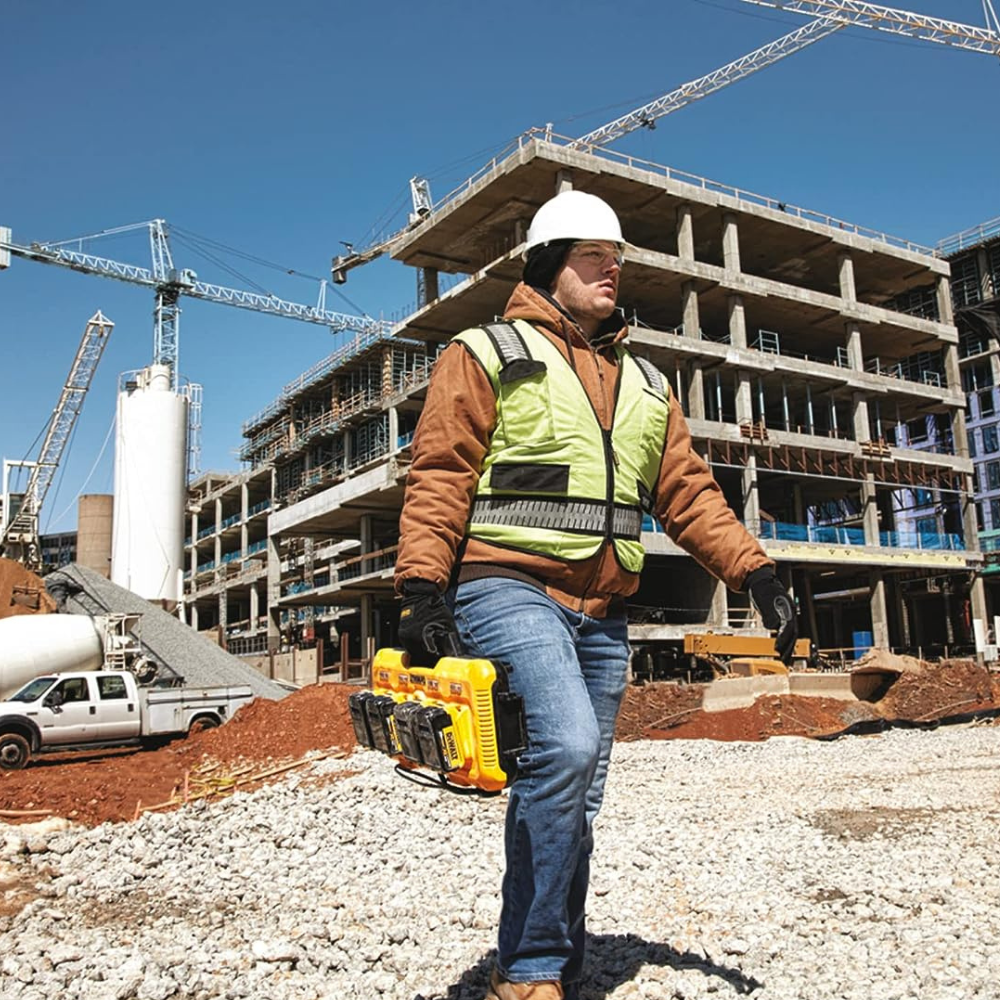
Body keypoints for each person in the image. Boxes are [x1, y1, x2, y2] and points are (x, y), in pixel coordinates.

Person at [394, 189, 796, 1000]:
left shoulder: (646, 382)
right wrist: (421, 587)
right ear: (548, 265)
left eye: (617, 259)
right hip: (507, 586)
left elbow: (685, 489)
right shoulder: (485, 351)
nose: (612, 269)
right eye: (592, 257)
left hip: (604, 611)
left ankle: (557, 951)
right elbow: (440, 472)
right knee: (568, 750)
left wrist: (753, 570)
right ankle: (532, 965)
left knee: (581, 788)